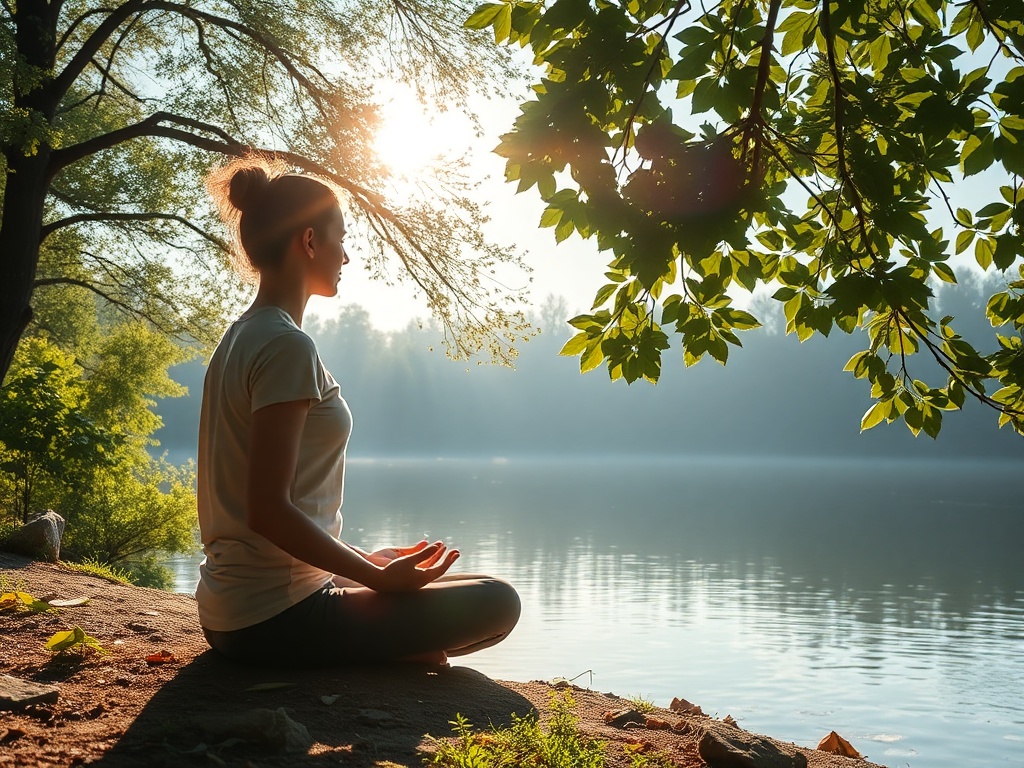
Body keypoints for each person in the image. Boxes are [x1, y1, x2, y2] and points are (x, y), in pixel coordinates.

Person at [195, 156, 521, 666]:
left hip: (234, 612)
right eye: (340, 239)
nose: (345, 257)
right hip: (275, 620)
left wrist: (363, 561)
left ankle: (390, 647)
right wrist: (375, 579)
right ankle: (389, 654)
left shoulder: (241, 335)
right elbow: (266, 509)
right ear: (308, 242)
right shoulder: (286, 345)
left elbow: (268, 509)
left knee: (474, 584)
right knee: (498, 601)